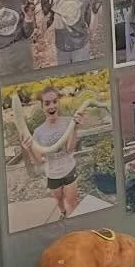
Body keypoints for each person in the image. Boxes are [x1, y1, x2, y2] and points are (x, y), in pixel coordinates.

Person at [23, 83, 81, 219]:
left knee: (72, 203)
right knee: (59, 200)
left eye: (55, 101)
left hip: (68, 170)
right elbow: (38, 161)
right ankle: (62, 212)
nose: (52, 106)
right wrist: (29, 149)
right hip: (53, 175)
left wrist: (75, 128)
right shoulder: (38, 133)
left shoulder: (69, 122)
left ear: (58, 103)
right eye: (47, 103)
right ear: (42, 107)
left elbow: (70, 148)